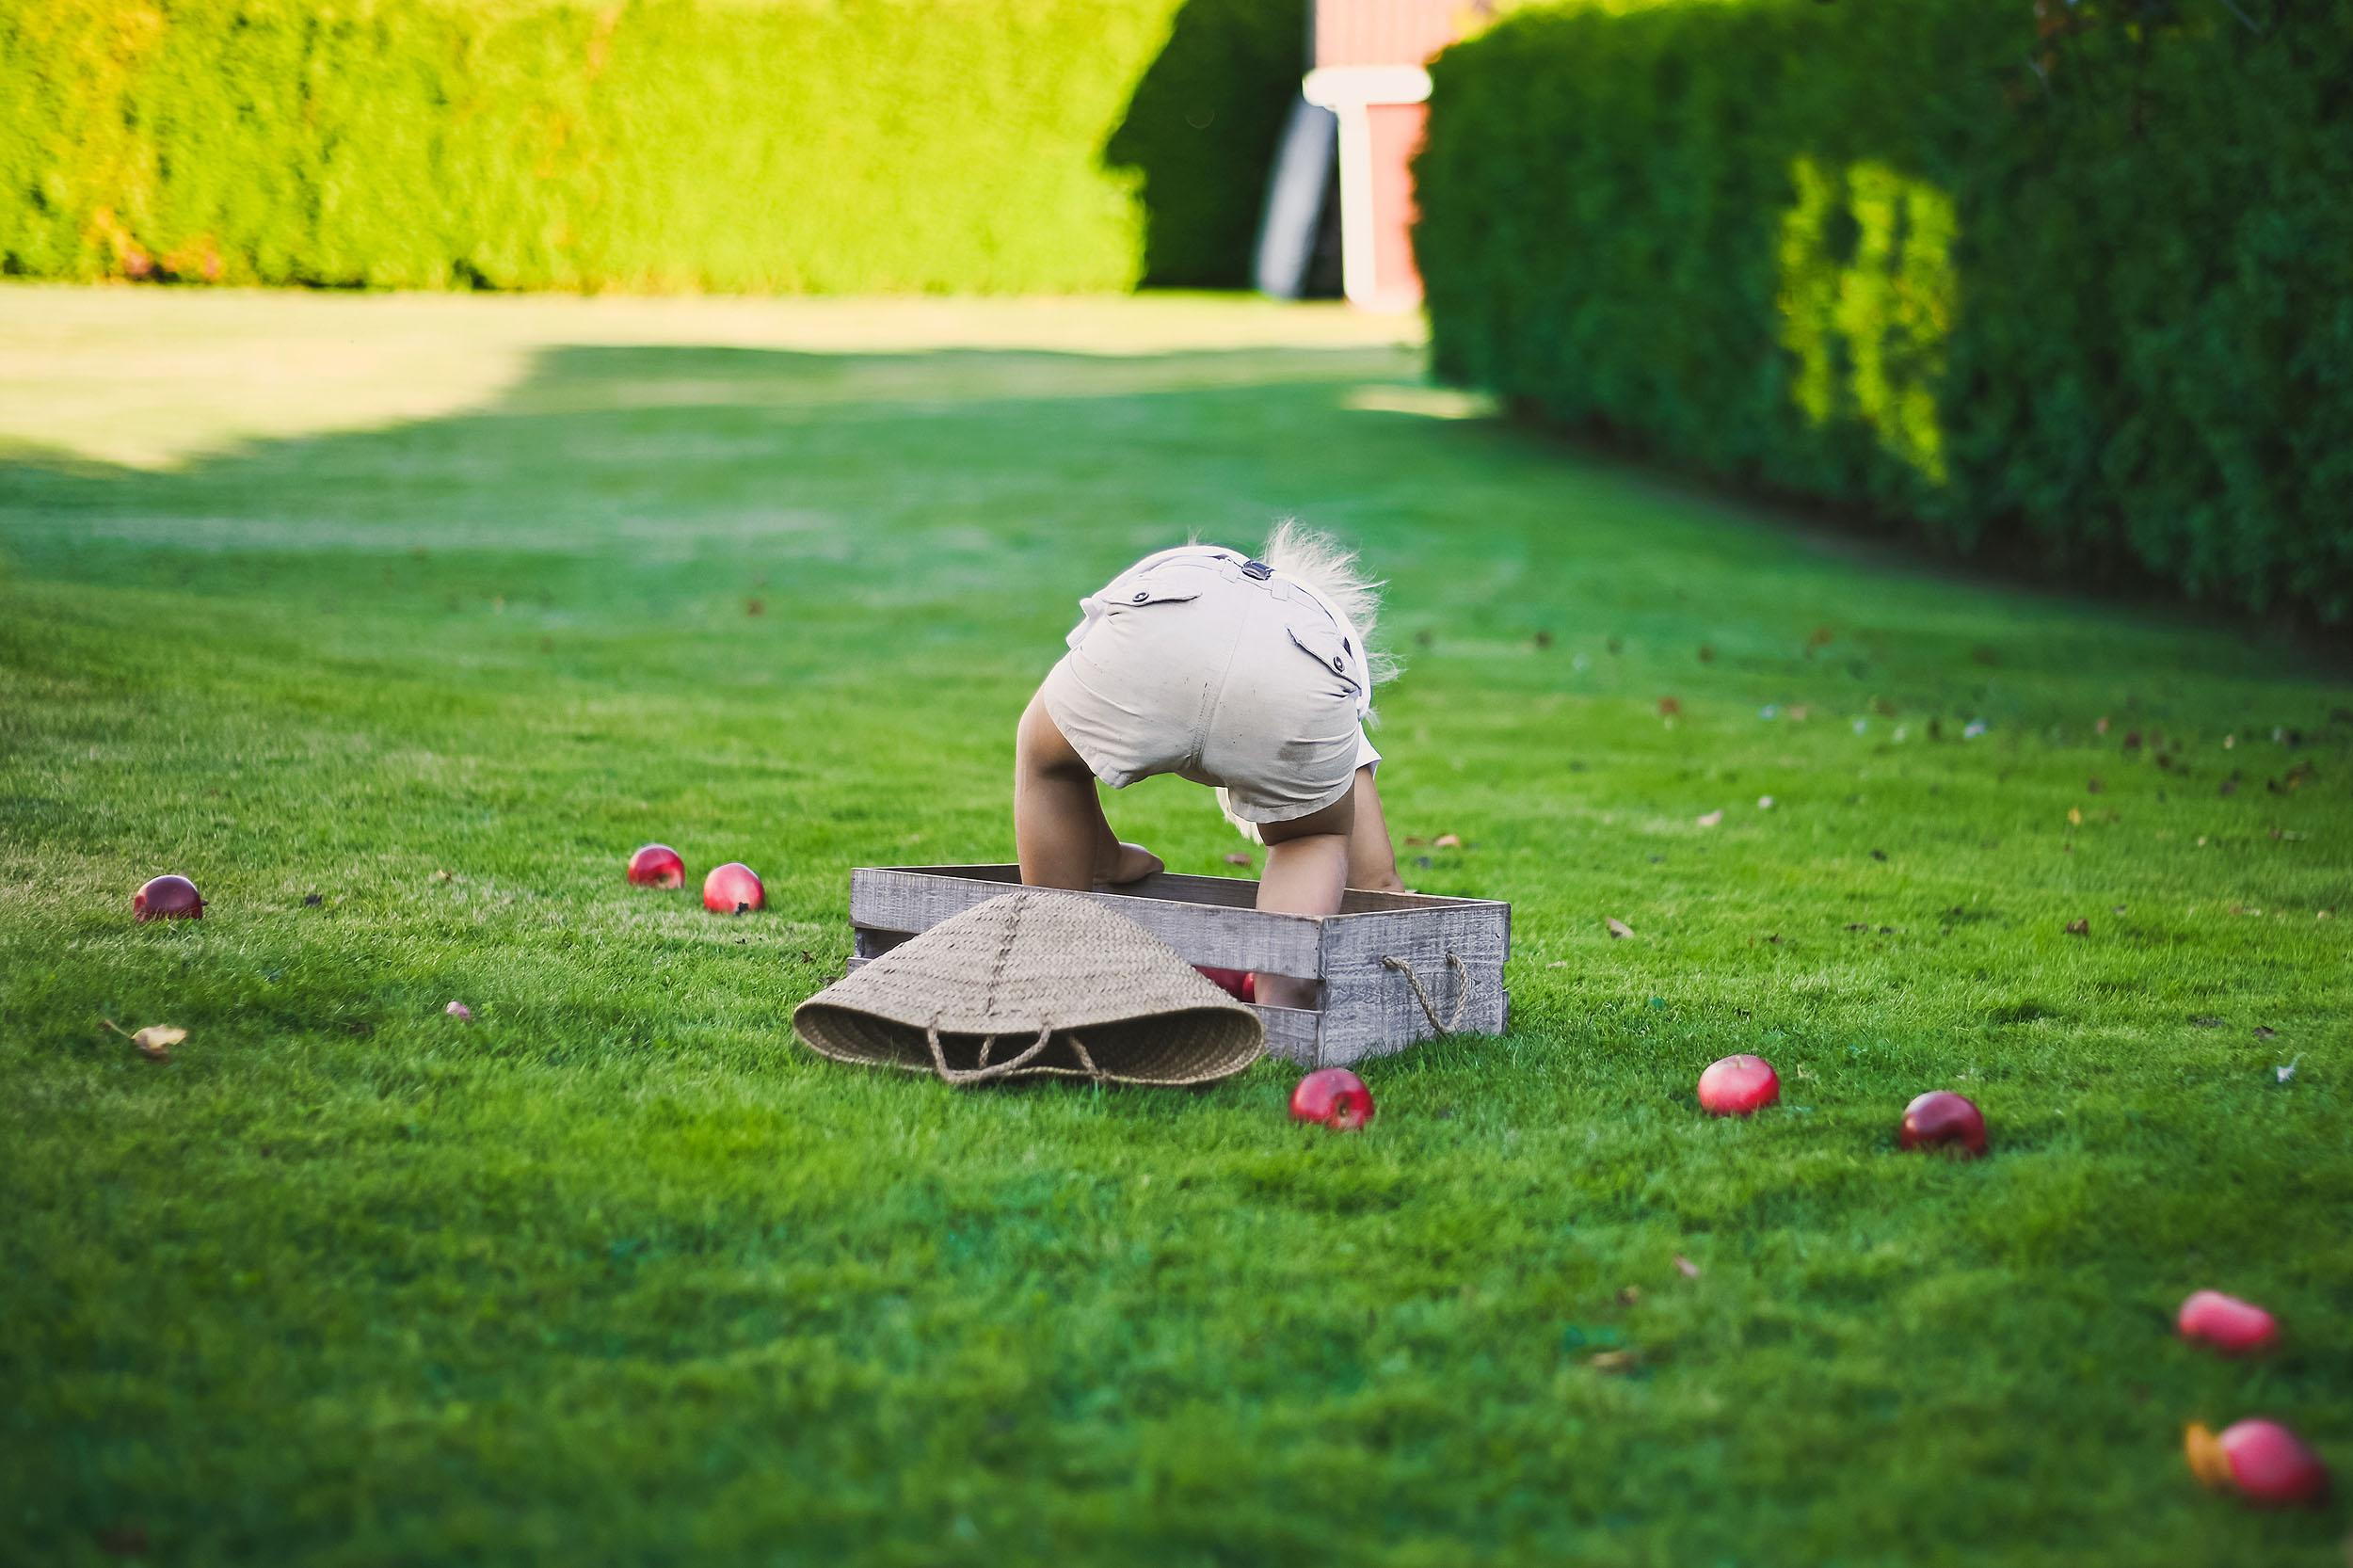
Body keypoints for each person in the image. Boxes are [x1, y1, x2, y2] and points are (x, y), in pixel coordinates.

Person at [1014, 521, 1404, 1009]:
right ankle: (1284, 1001)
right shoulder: (1327, 662)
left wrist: (1105, 856)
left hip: (1164, 624)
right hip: (1296, 677)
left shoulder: (1190, 571)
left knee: (1050, 762)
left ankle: (1052, 968)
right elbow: (1377, 881)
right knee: (1311, 837)